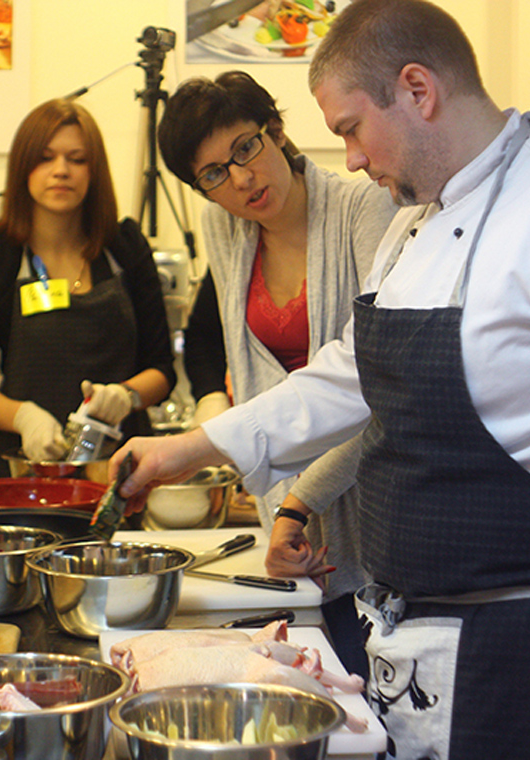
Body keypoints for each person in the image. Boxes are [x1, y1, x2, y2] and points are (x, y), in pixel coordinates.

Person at [110, 0, 530, 757]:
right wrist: (189, 448)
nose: (349, 158)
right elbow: (350, 377)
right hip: (430, 639)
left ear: (417, 89)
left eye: (351, 128)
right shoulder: (411, 225)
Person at [158, 70, 396, 678]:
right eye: (213, 174)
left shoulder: (363, 208)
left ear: (278, 131)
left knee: (375, 693)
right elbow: (234, 355)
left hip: (372, 506)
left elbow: (378, 389)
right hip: (286, 521)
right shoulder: (225, 228)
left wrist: (298, 499)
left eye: (245, 147)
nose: (240, 178)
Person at [0, 98, 176, 478]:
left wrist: (126, 396)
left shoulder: (125, 247)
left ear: (94, 171)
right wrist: (24, 417)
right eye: (45, 157)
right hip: (23, 471)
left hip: (118, 473)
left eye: (76, 159)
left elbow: (162, 370)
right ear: (23, 166)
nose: (61, 171)